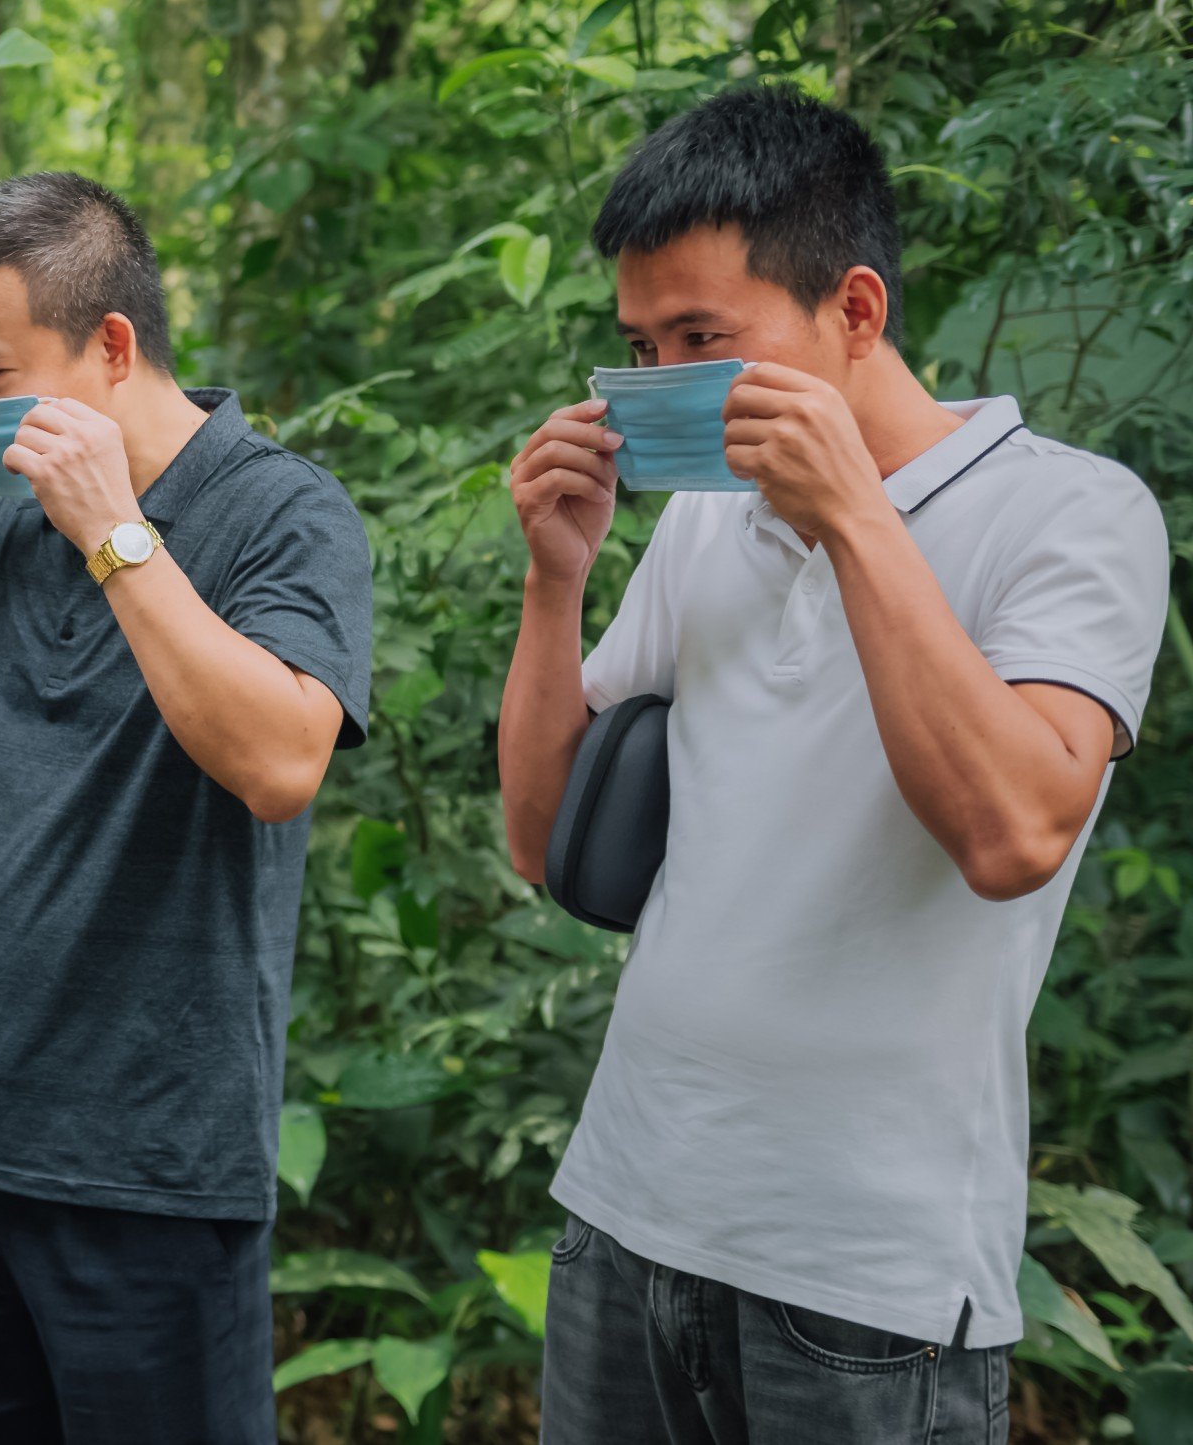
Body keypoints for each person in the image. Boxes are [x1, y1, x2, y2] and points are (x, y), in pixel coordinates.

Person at [500, 86, 1171, 1444]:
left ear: (856, 313)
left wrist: (858, 518)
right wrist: (555, 586)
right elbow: (551, 843)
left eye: (706, 338)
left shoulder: (1075, 514)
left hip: (866, 1283)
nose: (669, 376)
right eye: (641, 345)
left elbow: (1012, 835)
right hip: (627, 1213)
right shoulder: (702, 521)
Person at [0, 172, 374, 1444]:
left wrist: (118, 532)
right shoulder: (20, 520)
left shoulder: (280, 510)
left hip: (153, 1166)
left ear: (112, 346)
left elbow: (280, 761)